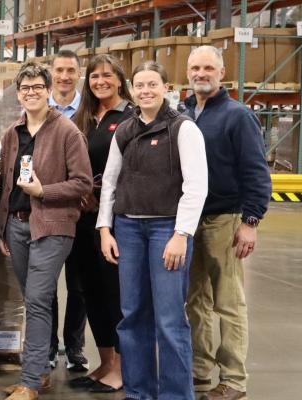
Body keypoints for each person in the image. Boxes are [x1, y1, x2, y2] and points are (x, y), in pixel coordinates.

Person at [97, 61, 209, 400]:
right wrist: (105, 228)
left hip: (166, 230)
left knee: (169, 319)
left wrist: (181, 234)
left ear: (166, 88)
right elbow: (110, 183)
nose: (145, 91)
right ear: (132, 90)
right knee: (132, 316)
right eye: (140, 85)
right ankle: (139, 392)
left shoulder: (183, 129)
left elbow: (196, 186)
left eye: (152, 84)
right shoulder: (124, 131)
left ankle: (176, 395)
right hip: (128, 229)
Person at [0, 61, 93, 400]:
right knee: (36, 299)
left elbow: (83, 184)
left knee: (37, 300)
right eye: (25, 88)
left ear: (49, 91)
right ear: (18, 94)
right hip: (17, 226)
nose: (31, 93)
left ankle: (30, 382)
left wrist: (43, 191)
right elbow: (6, 184)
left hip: (52, 226)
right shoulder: (12, 133)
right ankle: (39, 372)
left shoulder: (67, 132)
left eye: (38, 87)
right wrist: (2, 228)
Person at [182, 45, 272, 400]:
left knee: (228, 303)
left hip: (225, 219)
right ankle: (199, 371)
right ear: (187, 73)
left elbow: (256, 171)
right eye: (195, 68)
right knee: (196, 302)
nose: (200, 74)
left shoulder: (238, 116)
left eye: (208, 68)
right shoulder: (184, 113)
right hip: (190, 220)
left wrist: (250, 221)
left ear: (222, 72)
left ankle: (233, 380)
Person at [63, 53, 136, 394]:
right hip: (82, 217)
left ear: (120, 79)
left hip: (114, 219)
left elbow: (134, 169)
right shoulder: (84, 118)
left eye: (107, 75)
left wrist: (103, 197)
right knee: (88, 290)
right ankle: (105, 362)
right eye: (94, 76)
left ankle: (121, 368)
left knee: (113, 292)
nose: (101, 81)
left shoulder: (130, 117)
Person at [46, 49, 87, 372]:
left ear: (78, 73)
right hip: (45, 209)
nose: (64, 76)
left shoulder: (88, 111)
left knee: (79, 284)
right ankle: (47, 346)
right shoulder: (38, 108)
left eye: (70, 71)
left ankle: (75, 347)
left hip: (81, 210)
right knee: (46, 283)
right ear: (51, 72)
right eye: (59, 70)